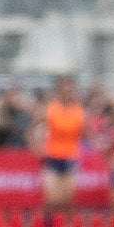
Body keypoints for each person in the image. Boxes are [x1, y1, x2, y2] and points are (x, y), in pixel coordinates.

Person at [39, 77, 85, 212]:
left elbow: (85, 133)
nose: (67, 92)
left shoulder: (78, 110)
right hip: (53, 155)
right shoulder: (51, 109)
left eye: (70, 90)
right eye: (64, 89)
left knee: (67, 198)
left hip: (71, 156)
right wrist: (38, 144)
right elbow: (37, 127)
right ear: (59, 91)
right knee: (52, 198)